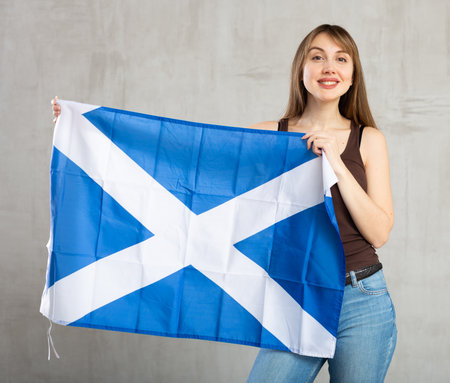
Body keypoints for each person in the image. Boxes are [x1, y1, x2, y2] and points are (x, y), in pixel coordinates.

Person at [51, 23, 396, 382]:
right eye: (317, 57)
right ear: (301, 71)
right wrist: (81, 131)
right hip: (297, 296)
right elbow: (188, 170)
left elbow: (379, 232)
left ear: (353, 76)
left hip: (362, 297)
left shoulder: (368, 139)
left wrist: (336, 163)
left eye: (341, 59)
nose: (329, 67)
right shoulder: (266, 136)